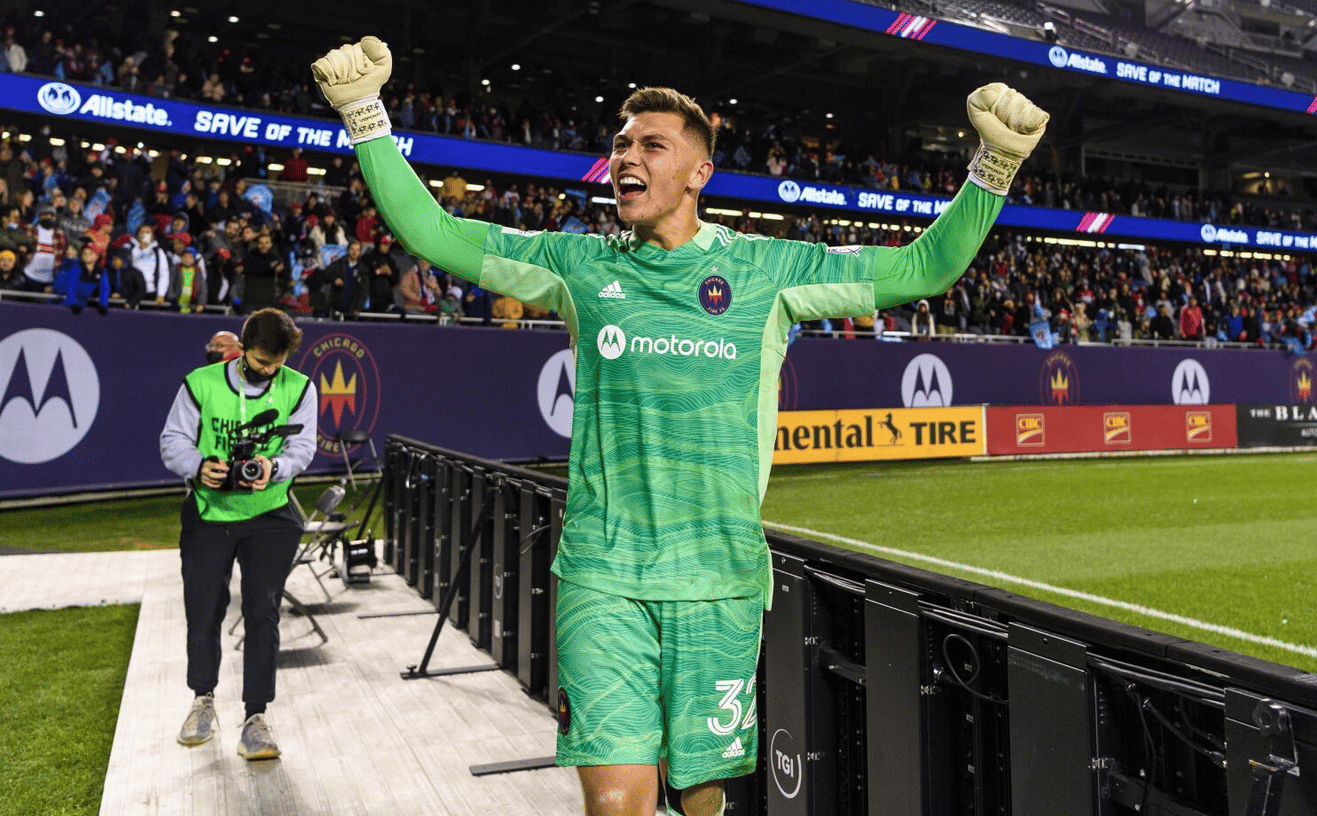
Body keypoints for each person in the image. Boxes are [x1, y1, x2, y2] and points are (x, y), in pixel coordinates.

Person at [314, 36, 1046, 816]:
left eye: (651, 145)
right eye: (620, 145)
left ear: (699, 172)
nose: (625, 158)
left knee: (699, 797)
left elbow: (922, 268)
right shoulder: (579, 266)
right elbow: (434, 233)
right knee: (615, 803)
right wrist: (365, 116)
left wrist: (992, 167)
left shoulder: (771, 272)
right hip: (602, 575)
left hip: (717, 583)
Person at [159, 308, 317, 761]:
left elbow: (303, 447)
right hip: (209, 513)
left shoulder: (299, 387)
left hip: (270, 514)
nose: (270, 371)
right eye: (263, 361)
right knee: (203, 609)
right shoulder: (201, 383)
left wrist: (275, 466)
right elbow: (172, 441)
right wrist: (198, 466)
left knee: (262, 612)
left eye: (278, 363)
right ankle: (202, 700)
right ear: (243, 348)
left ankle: (256, 716)